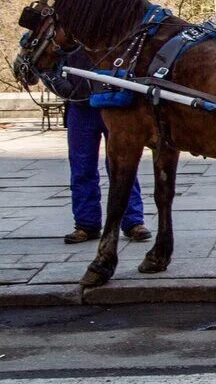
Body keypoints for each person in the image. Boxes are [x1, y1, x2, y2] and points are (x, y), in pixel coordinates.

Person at [45, 47, 150, 244]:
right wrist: (63, 87)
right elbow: (45, 63)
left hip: (113, 104)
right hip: (81, 109)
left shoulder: (113, 33)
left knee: (122, 166)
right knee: (82, 167)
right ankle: (87, 224)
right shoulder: (67, 36)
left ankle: (133, 222)